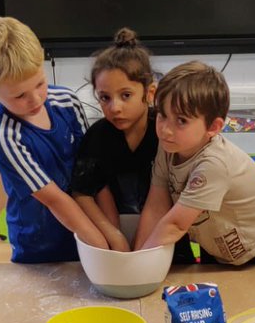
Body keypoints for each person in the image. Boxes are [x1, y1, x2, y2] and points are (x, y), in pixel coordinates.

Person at [0, 16, 109, 262]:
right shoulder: (4, 136)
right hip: (40, 243)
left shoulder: (67, 101)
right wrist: (103, 248)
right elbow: (54, 199)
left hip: (86, 225)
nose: (36, 99)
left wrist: (107, 228)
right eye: (20, 95)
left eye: (40, 84)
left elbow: (89, 168)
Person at [135, 61, 255, 264]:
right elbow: (155, 206)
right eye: (162, 115)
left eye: (181, 121)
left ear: (213, 127)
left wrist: (137, 265)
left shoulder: (213, 164)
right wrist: (137, 254)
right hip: (213, 239)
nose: (165, 130)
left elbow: (176, 225)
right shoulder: (169, 145)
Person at [69, 28, 194, 261]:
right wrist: (113, 235)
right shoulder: (97, 137)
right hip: (117, 242)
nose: (114, 107)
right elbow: (82, 193)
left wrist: (148, 244)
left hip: (165, 240)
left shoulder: (165, 132)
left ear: (149, 93)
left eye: (125, 95)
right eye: (105, 98)